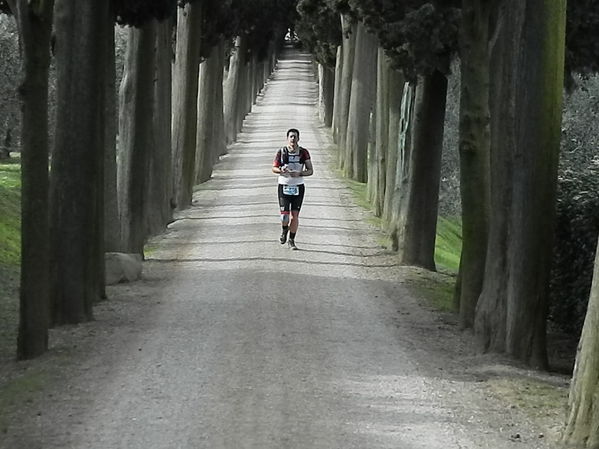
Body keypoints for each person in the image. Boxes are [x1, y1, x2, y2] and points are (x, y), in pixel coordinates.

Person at [272, 128, 313, 250]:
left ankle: (292, 240)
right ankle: (284, 230)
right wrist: (281, 171)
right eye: (291, 137)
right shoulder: (281, 152)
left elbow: (310, 170)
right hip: (284, 186)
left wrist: (299, 173)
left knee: (295, 216)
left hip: (298, 187)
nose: (293, 139)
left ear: (298, 139)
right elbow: (274, 168)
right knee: (284, 216)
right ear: (287, 138)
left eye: (295, 137)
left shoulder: (304, 152)